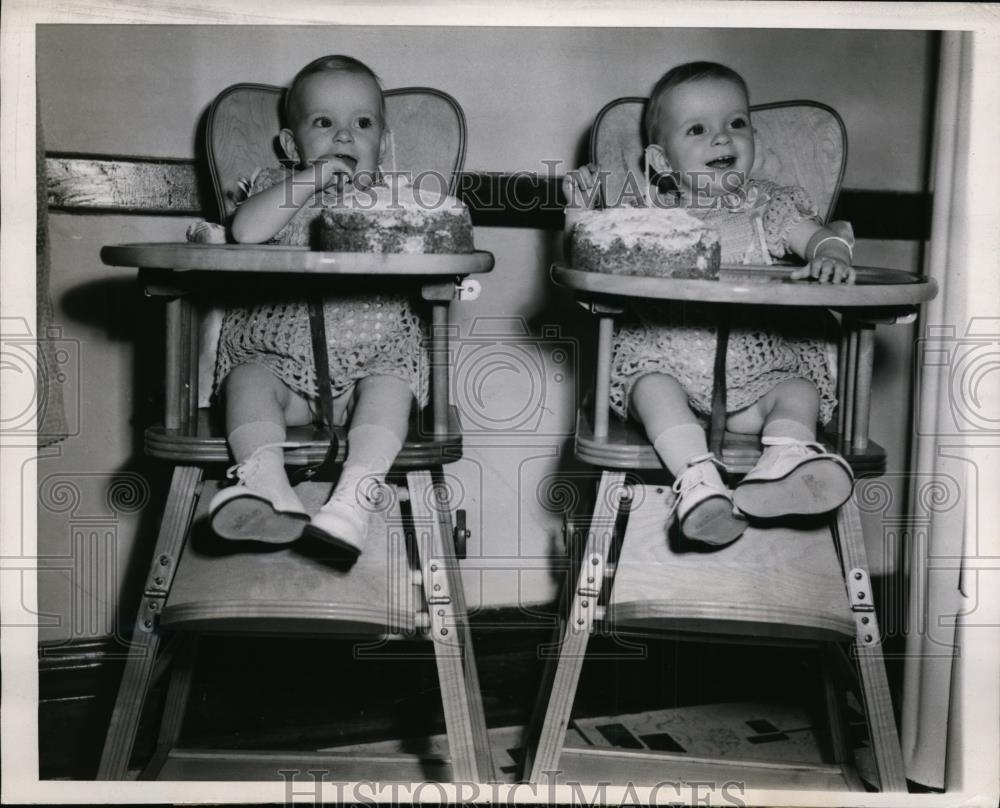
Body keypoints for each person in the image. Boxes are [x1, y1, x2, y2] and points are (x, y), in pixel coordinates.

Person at [565, 61, 856, 547]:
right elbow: (594, 257)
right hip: (672, 363)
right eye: (698, 129)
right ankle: (698, 480)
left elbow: (823, 239)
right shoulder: (649, 215)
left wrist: (830, 257)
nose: (723, 139)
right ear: (660, 161)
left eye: (736, 124)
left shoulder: (772, 207)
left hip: (761, 370)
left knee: (799, 386)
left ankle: (786, 459)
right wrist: (579, 215)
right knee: (649, 384)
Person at [208, 55, 426, 562]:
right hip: (279, 361)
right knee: (247, 378)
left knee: (393, 386)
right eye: (324, 123)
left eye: (363, 124)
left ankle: (352, 503)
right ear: (290, 145)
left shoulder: (399, 201)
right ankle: (268, 489)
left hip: (370, 367)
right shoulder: (274, 189)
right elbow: (244, 232)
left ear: (384, 144)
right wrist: (312, 179)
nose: (346, 137)